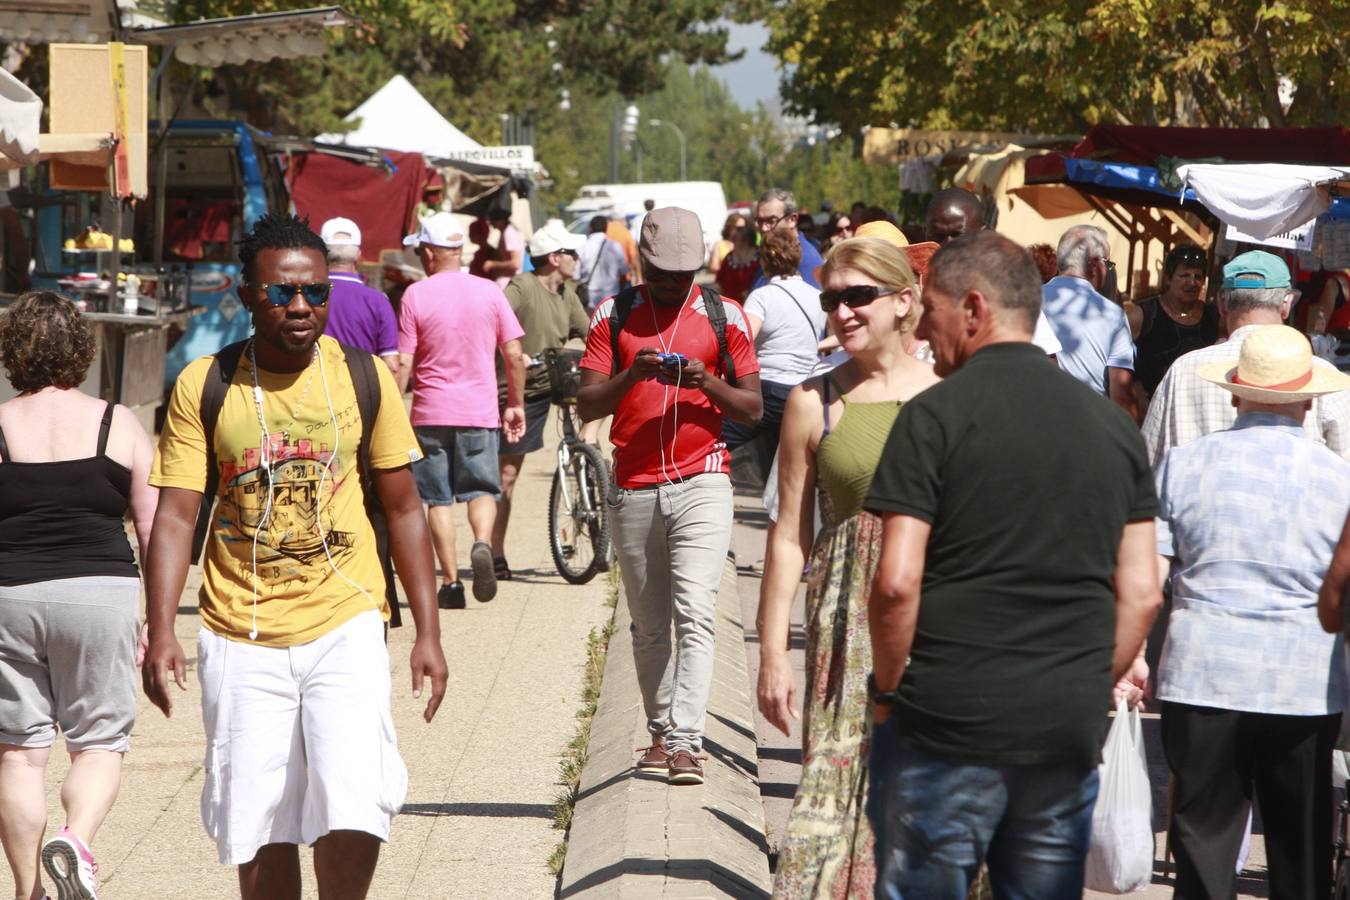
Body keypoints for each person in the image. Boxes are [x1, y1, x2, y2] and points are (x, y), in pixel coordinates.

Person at [142, 213, 449, 899]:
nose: (302, 307)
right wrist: (161, 628)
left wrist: (428, 631)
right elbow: (174, 516)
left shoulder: (365, 379)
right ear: (249, 296)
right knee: (258, 818)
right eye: (282, 294)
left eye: (314, 293)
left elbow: (403, 508)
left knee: (354, 796)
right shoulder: (206, 384)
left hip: (346, 620)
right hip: (239, 632)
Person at [863, 231, 1163, 897]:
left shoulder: (929, 419)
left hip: (945, 725)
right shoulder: (1115, 428)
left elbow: (896, 582)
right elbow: (1143, 593)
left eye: (930, 310)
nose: (922, 328)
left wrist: (887, 694)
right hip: (1062, 732)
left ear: (973, 308)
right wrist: (1085, 682)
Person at [757, 238, 938, 898]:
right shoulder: (814, 399)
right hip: (842, 633)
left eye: (858, 296)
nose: (843, 311)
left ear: (903, 301)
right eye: (832, 299)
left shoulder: (952, 392)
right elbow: (787, 537)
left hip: (933, 620)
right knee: (832, 801)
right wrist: (773, 652)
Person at [1155, 324, 1350, 899]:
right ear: (1309, 398)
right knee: (1299, 843)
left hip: (1202, 671)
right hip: (1303, 678)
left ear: (1235, 392)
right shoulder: (1340, 480)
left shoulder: (1183, 464)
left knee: (1203, 841)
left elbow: (1148, 575)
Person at [577, 207, 762, 786]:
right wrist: (633, 375)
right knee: (648, 623)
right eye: (661, 275)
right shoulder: (614, 314)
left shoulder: (722, 314)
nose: (672, 286)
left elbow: (753, 408)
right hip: (633, 482)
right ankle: (659, 735)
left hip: (704, 478)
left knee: (696, 611)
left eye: (683, 276)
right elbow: (587, 404)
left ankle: (686, 742)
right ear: (643, 265)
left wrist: (705, 382)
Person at [0, 292, 156, 900]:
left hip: (9, 594)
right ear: (83, 350)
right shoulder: (119, 423)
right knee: (97, 743)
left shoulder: (2, 423)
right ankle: (79, 839)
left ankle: (28, 889)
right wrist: (155, 617)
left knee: (17, 755)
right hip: (100, 593)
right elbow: (152, 528)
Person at [396, 212, 526, 607]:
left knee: (437, 499)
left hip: (430, 413)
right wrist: (515, 404)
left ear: (432, 253)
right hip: (479, 411)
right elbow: (515, 355)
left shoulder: (415, 295)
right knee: (482, 489)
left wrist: (393, 412)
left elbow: (403, 362)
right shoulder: (489, 291)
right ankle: (483, 543)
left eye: (421, 250)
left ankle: (451, 584)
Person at [1141, 250, 1350, 467]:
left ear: (1222, 304)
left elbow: (1148, 464)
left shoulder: (1183, 370)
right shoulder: (1323, 378)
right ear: (1286, 304)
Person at [491, 221, 590, 580]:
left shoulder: (568, 293)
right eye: (571, 253)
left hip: (560, 383)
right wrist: (513, 354)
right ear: (554, 257)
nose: (576, 258)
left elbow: (591, 333)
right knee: (507, 474)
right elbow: (493, 317)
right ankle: (495, 551)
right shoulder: (523, 287)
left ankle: (593, 499)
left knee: (592, 423)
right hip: (522, 390)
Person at [923, 188, 1064, 359]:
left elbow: (1047, 362)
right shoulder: (911, 293)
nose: (947, 246)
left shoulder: (1010, 294)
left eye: (957, 235)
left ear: (981, 233)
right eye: (937, 236)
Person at [722, 229, 826, 456]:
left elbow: (742, 339)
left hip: (769, 389)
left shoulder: (762, 296)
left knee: (717, 438)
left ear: (764, 261)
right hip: (806, 389)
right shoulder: (816, 296)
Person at [1041, 224, 1138, 417]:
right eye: (1108, 264)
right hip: (1088, 429)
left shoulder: (1026, 300)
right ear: (1094, 264)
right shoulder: (1112, 316)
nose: (1108, 271)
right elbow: (1122, 397)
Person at [1129, 243, 1221, 398]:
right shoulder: (1142, 315)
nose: (1192, 283)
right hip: (1151, 409)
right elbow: (1119, 367)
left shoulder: (1214, 316)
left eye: (1198, 276)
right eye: (1184, 275)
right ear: (1168, 279)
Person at [319, 218, 398, 376]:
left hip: (318, 389)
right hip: (364, 390)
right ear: (358, 255)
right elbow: (391, 364)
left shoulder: (306, 296)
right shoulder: (378, 301)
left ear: (322, 253)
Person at [753, 188, 823, 288]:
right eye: (760, 221)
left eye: (771, 221)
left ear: (792, 220)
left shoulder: (806, 258)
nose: (764, 228)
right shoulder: (766, 256)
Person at [576, 215, 630, 310]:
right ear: (606, 228)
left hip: (589, 299)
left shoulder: (582, 248)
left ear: (590, 229)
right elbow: (624, 272)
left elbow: (575, 276)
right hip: (612, 296)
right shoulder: (615, 247)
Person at [481, 210, 525, 290]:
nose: (491, 224)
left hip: (508, 284)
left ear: (501, 220)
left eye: (493, 220)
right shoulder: (507, 232)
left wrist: (492, 264)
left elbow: (515, 264)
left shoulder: (509, 232)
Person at [714, 224, 758, 302]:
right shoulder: (729, 258)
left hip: (753, 305)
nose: (731, 242)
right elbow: (719, 284)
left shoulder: (760, 259)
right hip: (731, 307)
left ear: (746, 241)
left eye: (734, 239)